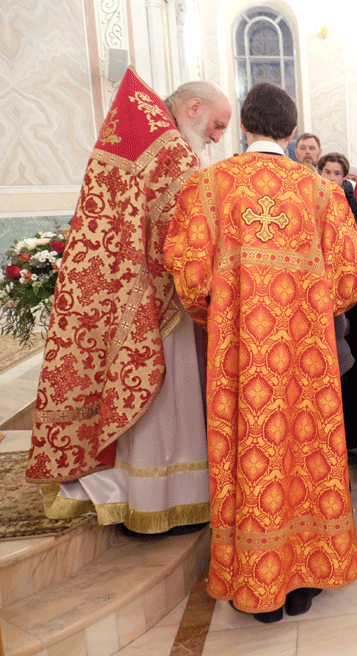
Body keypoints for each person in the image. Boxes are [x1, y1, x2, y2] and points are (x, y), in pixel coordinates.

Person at [164, 82, 357, 622]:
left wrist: (222, 317)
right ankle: (306, 577)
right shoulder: (322, 193)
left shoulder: (209, 186)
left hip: (239, 356)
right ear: (292, 132)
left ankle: (257, 584)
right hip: (308, 358)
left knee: (250, 454)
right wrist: (308, 312)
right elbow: (350, 278)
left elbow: (188, 275)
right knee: (308, 453)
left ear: (243, 125)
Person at [26, 70, 229, 535]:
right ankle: (163, 498)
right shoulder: (170, 149)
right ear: (193, 108)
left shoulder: (145, 133)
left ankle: (137, 494)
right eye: (217, 125)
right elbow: (187, 229)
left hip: (130, 292)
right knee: (168, 400)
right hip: (158, 299)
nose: (216, 137)